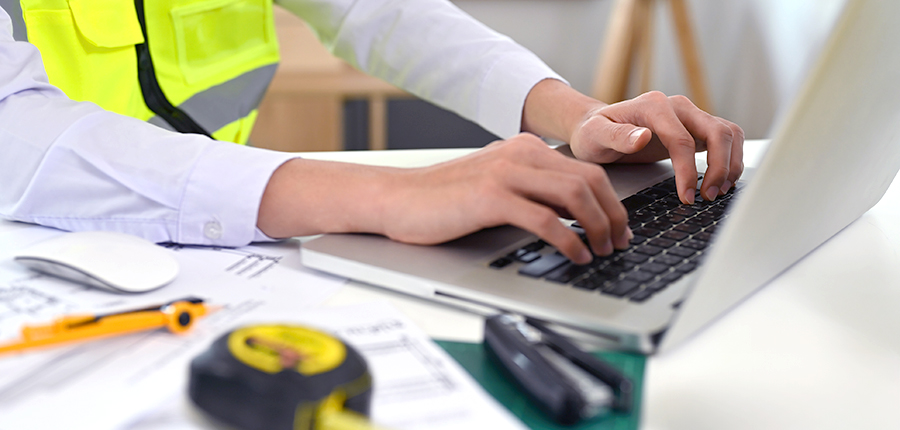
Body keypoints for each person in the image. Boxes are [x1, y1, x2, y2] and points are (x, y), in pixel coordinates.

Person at [0, 2, 743, 266]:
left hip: (216, 248)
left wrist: (576, 115)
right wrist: (389, 195)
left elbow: (373, 8)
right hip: (30, 263)